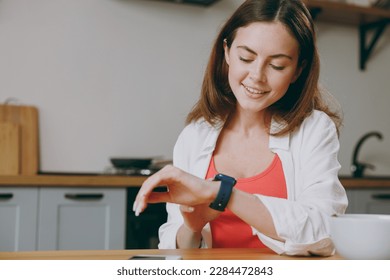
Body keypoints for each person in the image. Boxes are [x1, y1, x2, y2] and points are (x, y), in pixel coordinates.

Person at [133, 0, 348, 256]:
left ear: (298, 70)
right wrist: (193, 226)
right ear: (226, 52)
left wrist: (225, 195)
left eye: (277, 65)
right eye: (246, 57)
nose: (257, 75)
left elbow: (325, 233)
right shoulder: (195, 135)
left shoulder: (313, 130)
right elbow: (178, 247)